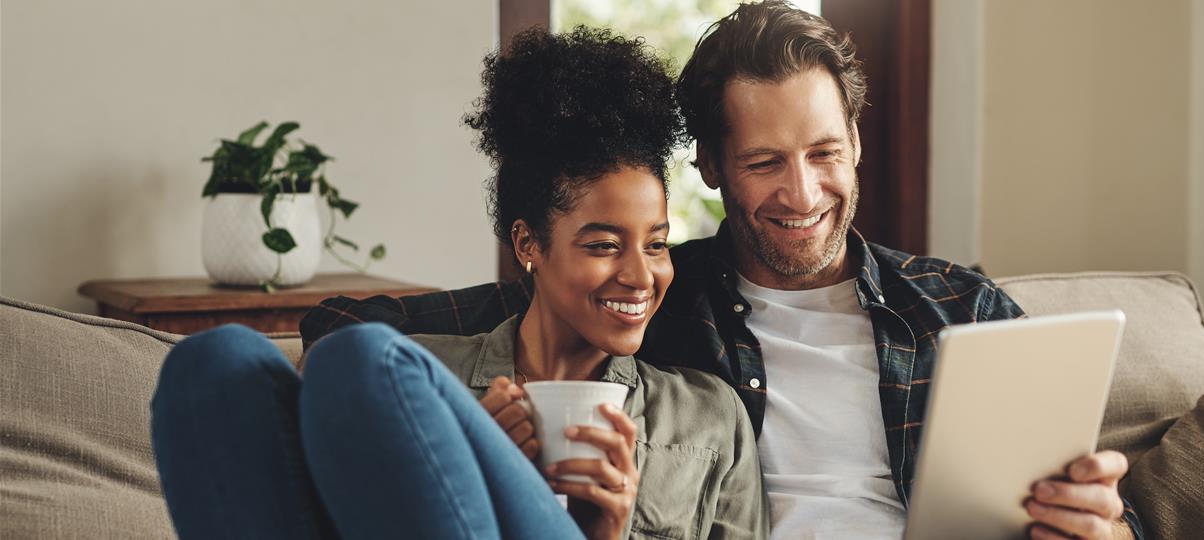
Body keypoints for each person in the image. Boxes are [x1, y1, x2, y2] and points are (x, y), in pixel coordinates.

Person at [301, 2, 1141, 539]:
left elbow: (1111, 510)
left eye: (825, 153)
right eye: (766, 162)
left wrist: (1104, 527)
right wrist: (471, 412)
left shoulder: (959, 308)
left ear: (856, 141)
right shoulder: (657, 293)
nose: (803, 193)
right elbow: (350, 337)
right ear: (708, 164)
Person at [152, 26, 767, 540]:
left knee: (360, 359)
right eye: (604, 245)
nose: (640, 275)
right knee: (211, 362)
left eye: (657, 244)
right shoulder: (424, 384)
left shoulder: (708, 418)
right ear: (528, 245)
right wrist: (470, 461)